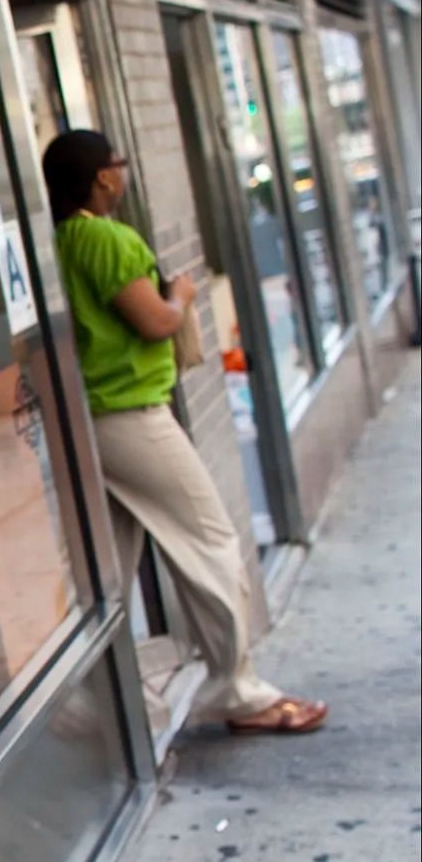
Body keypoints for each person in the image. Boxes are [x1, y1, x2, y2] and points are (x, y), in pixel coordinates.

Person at [42, 129, 326, 734]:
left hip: (92, 417)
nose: (124, 174)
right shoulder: (106, 238)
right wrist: (181, 293)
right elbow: (154, 322)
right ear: (103, 178)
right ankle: (240, 692)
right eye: (119, 164)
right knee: (212, 542)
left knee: (108, 571)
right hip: (129, 415)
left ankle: (112, 711)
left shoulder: (60, 242)